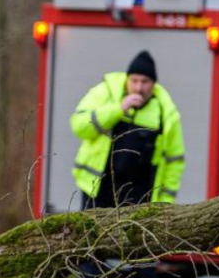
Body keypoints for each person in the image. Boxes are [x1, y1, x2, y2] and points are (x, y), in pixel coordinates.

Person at [69, 50, 186, 209]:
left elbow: (174, 161)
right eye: (134, 80)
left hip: (139, 196)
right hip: (99, 189)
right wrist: (118, 109)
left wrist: (164, 204)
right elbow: (79, 126)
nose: (139, 88)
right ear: (126, 79)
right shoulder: (106, 92)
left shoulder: (166, 112)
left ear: (153, 84)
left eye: (145, 82)